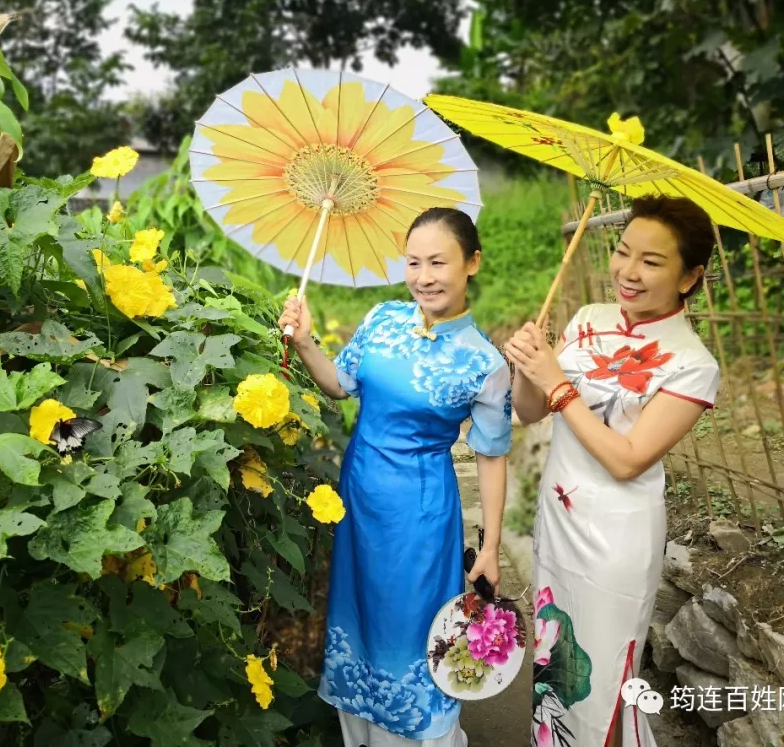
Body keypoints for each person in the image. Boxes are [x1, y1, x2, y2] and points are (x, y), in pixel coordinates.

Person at [278, 207, 512, 747]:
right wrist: (306, 341)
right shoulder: (382, 318)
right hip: (359, 501)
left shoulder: (484, 361)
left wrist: (491, 546)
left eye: (438, 262)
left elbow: (492, 455)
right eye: (413, 262)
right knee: (359, 620)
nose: (424, 276)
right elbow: (341, 385)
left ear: (472, 263)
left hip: (420, 516)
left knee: (412, 631)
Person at [504, 195, 720, 747]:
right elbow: (530, 413)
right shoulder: (588, 320)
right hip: (560, 521)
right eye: (623, 252)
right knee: (556, 661)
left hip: (616, 539)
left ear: (690, 276)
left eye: (651, 261)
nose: (628, 271)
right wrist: (529, 367)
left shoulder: (692, 363)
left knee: (602, 679)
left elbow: (627, 460)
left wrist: (556, 381)